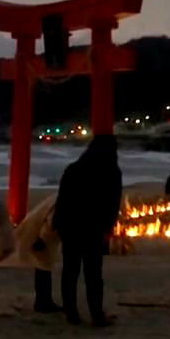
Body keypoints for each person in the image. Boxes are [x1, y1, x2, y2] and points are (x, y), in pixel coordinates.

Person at [53, 135, 122, 327]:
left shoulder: (74, 169)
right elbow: (112, 203)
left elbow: (62, 199)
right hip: (93, 227)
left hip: (70, 226)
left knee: (70, 271)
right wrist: (108, 226)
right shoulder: (111, 171)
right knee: (93, 274)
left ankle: (71, 312)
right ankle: (96, 314)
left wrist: (57, 223)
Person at [12, 194, 62, 313]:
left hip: (38, 228)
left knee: (43, 266)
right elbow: (52, 220)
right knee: (44, 266)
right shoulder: (67, 199)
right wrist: (43, 239)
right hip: (40, 232)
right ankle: (44, 302)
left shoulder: (60, 196)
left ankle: (43, 301)